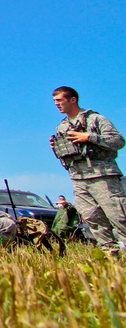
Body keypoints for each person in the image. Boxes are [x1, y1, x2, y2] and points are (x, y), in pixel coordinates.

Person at [49, 86, 126, 254]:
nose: (56, 104)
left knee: (119, 217)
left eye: (59, 100)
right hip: (79, 178)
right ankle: (112, 259)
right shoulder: (61, 127)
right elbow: (68, 158)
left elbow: (118, 141)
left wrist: (88, 136)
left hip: (103, 176)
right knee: (93, 219)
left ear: (72, 100)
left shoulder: (95, 119)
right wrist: (58, 149)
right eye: (54, 101)